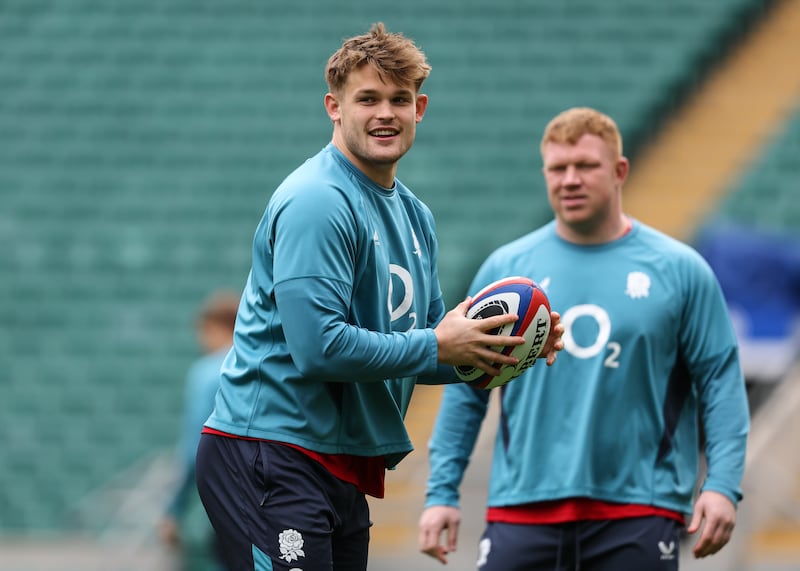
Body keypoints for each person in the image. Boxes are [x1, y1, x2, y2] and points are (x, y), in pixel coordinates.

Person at [194, 22, 564, 571]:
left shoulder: (415, 215)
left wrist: (501, 346)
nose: (385, 113)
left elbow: (431, 344)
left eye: (400, 99)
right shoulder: (318, 200)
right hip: (270, 452)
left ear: (421, 108)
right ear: (333, 107)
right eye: (367, 98)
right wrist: (441, 346)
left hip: (339, 462)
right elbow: (319, 348)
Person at [418, 107, 750, 570]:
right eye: (558, 168)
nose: (570, 179)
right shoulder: (506, 274)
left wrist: (722, 485)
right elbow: (467, 387)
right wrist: (441, 493)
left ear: (619, 171)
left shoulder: (681, 270)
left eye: (586, 166)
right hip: (521, 510)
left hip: (638, 510)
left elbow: (720, 383)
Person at [159, 291, 240, 570]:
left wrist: (173, 509)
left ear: (213, 328)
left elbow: (195, 448)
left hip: (218, 504)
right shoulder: (261, 366)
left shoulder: (207, 373)